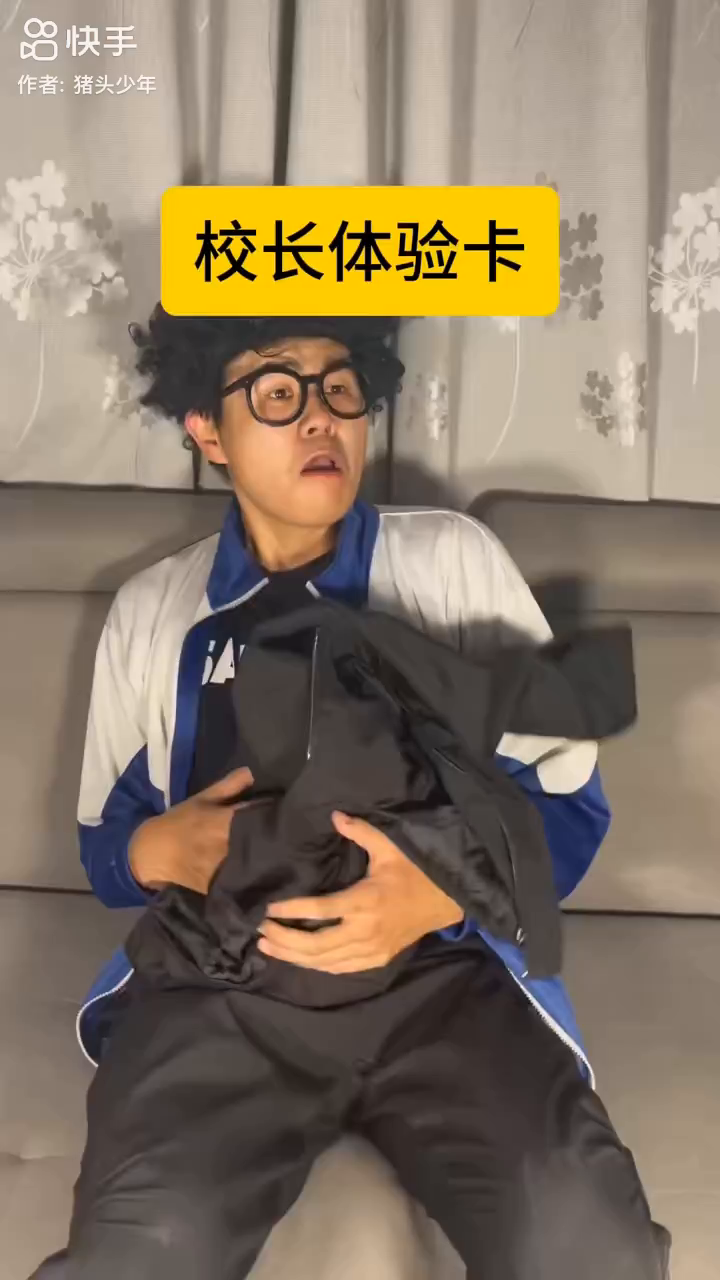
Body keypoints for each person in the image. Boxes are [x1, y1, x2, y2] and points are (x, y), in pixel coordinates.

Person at [33, 309, 669, 1280]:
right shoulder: (153, 610)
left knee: (590, 1246)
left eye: (338, 387)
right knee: (142, 1252)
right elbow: (104, 846)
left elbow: (570, 807)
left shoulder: (449, 561)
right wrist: (158, 849)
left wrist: (439, 893)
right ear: (207, 428)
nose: (319, 417)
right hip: (222, 988)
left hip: (446, 985)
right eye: (276, 392)